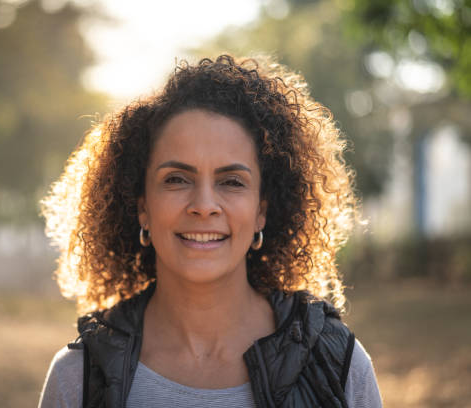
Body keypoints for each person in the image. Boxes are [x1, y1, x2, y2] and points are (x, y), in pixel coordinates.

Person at [38, 55, 382, 408]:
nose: (204, 205)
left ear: (262, 212)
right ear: (143, 207)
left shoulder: (337, 365)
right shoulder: (77, 379)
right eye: (176, 179)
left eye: (231, 181)